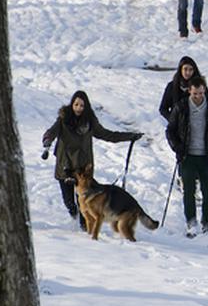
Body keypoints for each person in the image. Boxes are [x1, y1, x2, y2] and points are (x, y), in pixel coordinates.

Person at [41, 90, 142, 227]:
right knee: (68, 201)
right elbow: (51, 132)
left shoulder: (90, 122)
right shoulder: (63, 120)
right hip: (65, 165)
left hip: (83, 167)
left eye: (82, 106)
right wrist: (47, 140)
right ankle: (74, 215)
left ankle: (85, 227)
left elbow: (107, 134)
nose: (78, 108)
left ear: (86, 107)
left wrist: (129, 136)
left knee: (84, 200)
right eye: (76, 105)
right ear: (72, 104)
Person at [165, 75, 208, 236]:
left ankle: (207, 222)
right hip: (187, 155)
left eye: (201, 93)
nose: (198, 96)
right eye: (195, 93)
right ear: (190, 91)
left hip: (206, 155)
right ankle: (191, 221)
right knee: (189, 190)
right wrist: (177, 147)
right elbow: (170, 130)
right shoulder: (181, 107)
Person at [158, 56, 202, 123]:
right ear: (180, 69)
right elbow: (163, 108)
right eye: (185, 69)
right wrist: (172, 120)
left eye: (191, 69)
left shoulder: (199, 85)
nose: (188, 72)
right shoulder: (172, 86)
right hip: (177, 128)